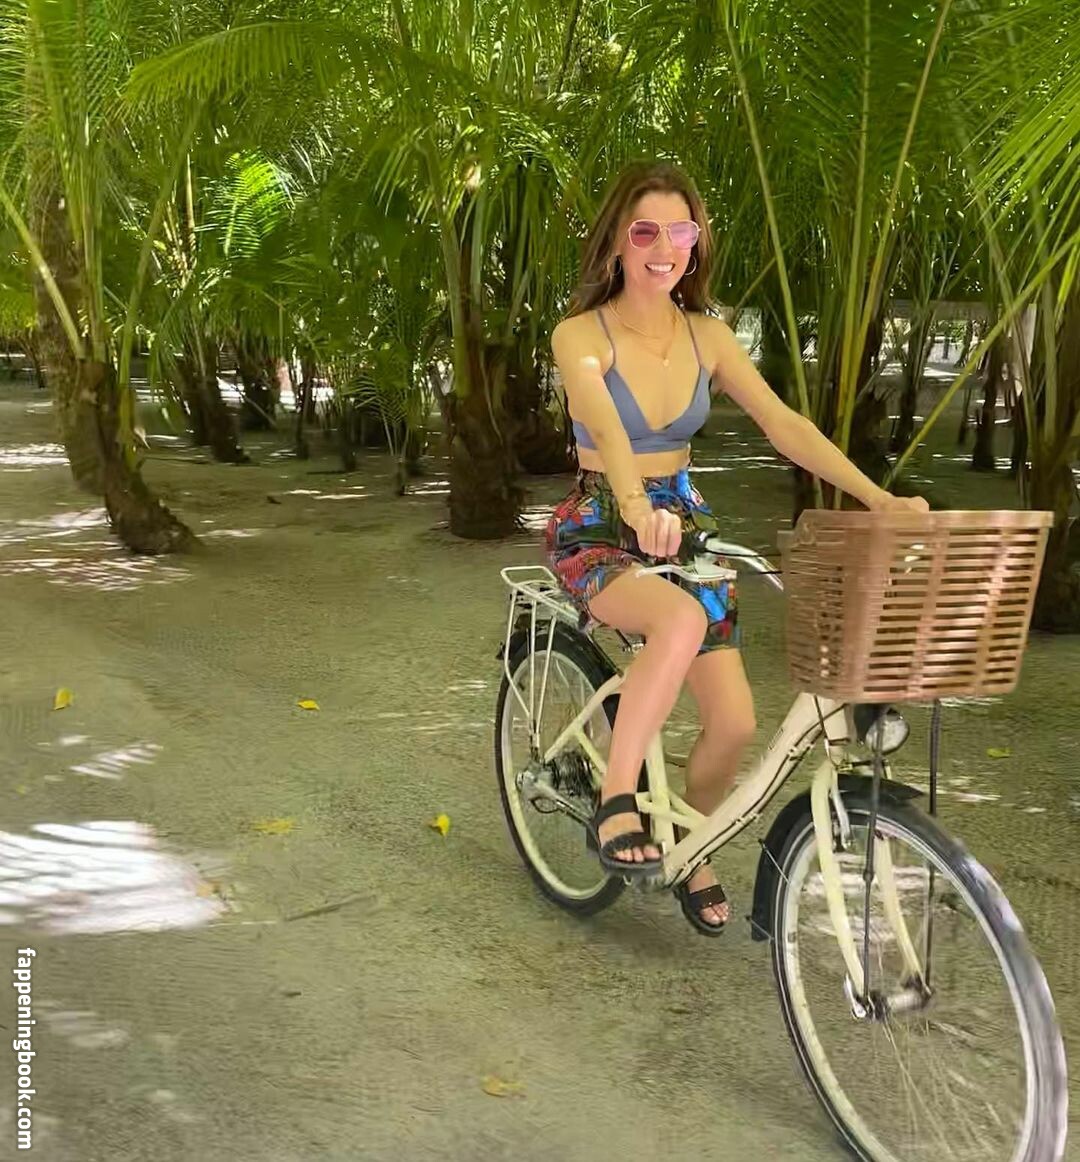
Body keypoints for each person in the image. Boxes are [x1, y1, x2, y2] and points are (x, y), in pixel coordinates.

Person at [545, 161, 928, 935]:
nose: (663, 248)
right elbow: (607, 428)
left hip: (683, 522)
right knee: (679, 621)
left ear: (696, 242)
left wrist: (878, 498)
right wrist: (633, 507)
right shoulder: (580, 334)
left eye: (679, 231)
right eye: (644, 231)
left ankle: (693, 844)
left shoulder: (708, 336)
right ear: (616, 242)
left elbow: (784, 424)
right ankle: (617, 800)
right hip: (603, 520)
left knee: (736, 724)